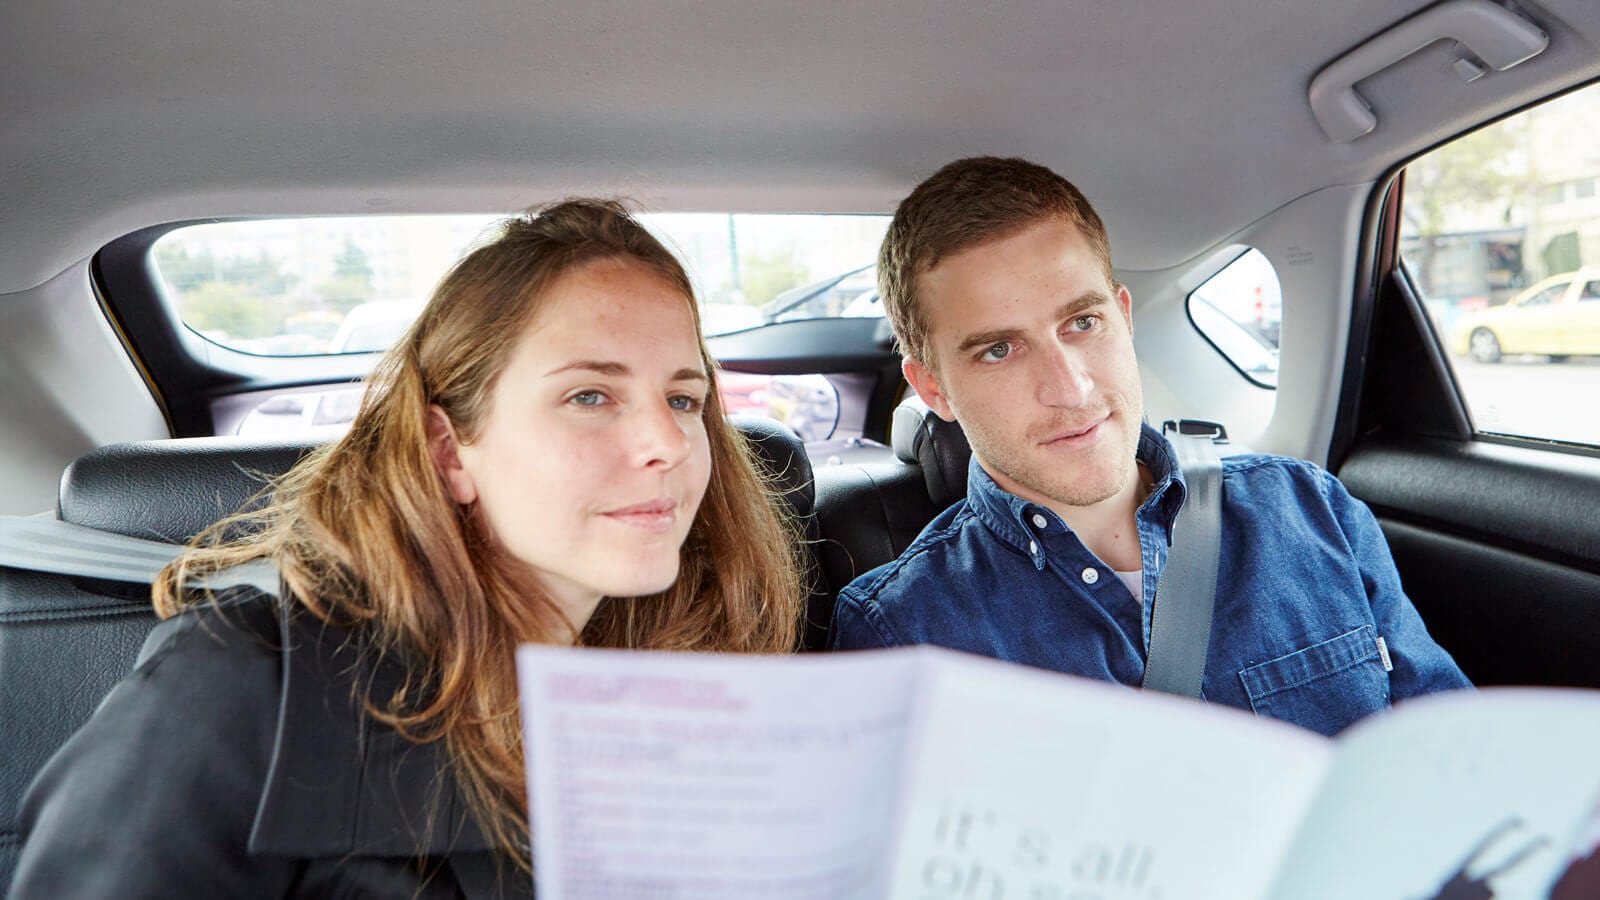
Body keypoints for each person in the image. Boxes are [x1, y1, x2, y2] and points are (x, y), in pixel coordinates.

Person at [12, 199, 805, 897]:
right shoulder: (239, 686)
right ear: (450, 450)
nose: (667, 441)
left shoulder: (687, 695)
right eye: (589, 395)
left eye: (684, 397)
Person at [830, 156, 1469, 736]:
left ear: (1124, 318)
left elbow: (1454, 760)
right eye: (1000, 349)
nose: (1070, 388)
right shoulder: (901, 634)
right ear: (933, 388)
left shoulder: (1311, 510)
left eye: (1082, 322)